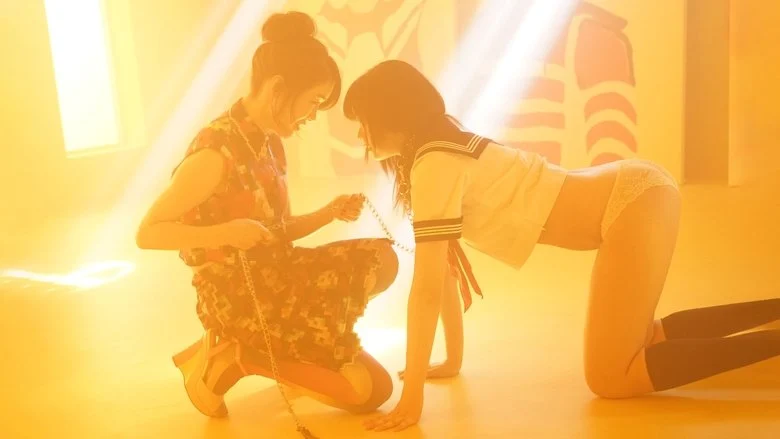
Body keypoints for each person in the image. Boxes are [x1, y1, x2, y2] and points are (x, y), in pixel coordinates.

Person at [342, 59, 780, 432]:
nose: (361, 136)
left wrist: (412, 398)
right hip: (635, 191)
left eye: (363, 122)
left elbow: (426, 288)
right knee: (640, 339)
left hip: (631, 204)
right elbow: (442, 273)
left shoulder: (434, 164)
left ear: (391, 114)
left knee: (611, 376)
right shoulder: (440, 150)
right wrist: (450, 361)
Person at [135, 12, 399, 421]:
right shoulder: (214, 153)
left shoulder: (270, 144)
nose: (313, 114)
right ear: (277, 89)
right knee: (370, 390)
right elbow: (148, 233)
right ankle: (238, 354)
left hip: (278, 276)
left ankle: (277, 350)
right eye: (314, 101)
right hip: (237, 297)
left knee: (382, 258)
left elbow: (276, 232)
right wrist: (226, 232)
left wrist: (328, 213)